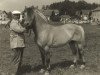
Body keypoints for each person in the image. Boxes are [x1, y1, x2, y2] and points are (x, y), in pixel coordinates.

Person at [9, 10, 26, 75]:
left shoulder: (18, 22)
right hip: (16, 44)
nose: (18, 16)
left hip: (20, 43)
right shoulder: (13, 23)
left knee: (19, 59)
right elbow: (20, 30)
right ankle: (13, 73)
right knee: (16, 59)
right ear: (13, 16)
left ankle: (17, 72)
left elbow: (21, 28)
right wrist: (25, 28)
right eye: (16, 15)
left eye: (19, 15)